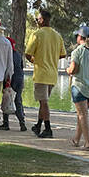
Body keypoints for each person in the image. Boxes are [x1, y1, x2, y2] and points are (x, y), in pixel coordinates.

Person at [24, 8, 65, 139]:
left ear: (42, 20)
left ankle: (48, 128)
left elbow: (28, 53)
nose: (36, 21)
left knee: (43, 102)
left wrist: (35, 60)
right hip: (53, 74)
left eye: (37, 19)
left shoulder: (37, 34)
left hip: (41, 73)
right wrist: (50, 58)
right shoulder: (57, 36)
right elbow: (62, 54)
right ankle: (38, 125)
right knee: (43, 102)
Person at [66, 25, 89, 150]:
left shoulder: (77, 51)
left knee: (82, 115)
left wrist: (68, 70)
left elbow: (74, 69)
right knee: (82, 114)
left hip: (80, 87)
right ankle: (76, 139)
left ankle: (87, 143)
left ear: (80, 37)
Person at [5, 33, 27, 132]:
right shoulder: (18, 54)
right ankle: (22, 122)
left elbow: (7, 68)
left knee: (7, 99)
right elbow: (21, 67)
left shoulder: (7, 54)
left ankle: (6, 123)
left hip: (11, 79)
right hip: (20, 78)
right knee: (18, 100)